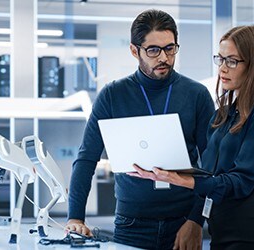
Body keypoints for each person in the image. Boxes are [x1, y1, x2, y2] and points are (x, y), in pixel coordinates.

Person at [129, 25, 254, 250]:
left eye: (232, 61)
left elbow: (242, 180)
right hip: (221, 229)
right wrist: (166, 172)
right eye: (221, 59)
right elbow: (209, 174)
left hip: (253, 230)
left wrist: (180, 180)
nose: (223, 69)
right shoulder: (223, 115)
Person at [65, 9, 215, 250]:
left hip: (184, 220)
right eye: (153, 50)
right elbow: (86, 159)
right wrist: (75, 217)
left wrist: (197, 220)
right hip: (131, 223)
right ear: (135, 51)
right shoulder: (113, 95)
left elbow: (211, 165)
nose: (164, 57)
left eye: (170, 48)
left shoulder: (196, 95)